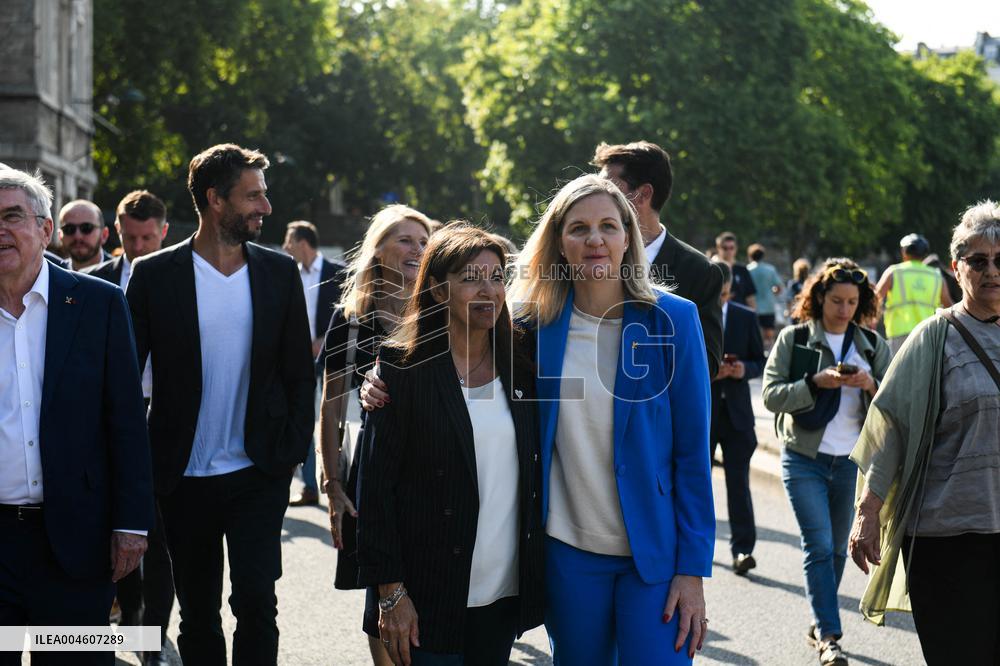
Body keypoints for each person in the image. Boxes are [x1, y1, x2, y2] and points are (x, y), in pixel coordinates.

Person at [362, 175, 716, 664]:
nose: (595, 239)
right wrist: (378, 382)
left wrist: (692, 570)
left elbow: (693, 453)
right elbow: (448, 355)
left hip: (654, 557)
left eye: (609, 226)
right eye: (579, 228)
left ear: (628, 238)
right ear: (559, 243)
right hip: (566, 554)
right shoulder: (530, 326)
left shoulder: (674, 320)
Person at [126, 144, 315, 665]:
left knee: (257, 602)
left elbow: (300, 373)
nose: (266, 207)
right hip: (182, 477)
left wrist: (292, 450)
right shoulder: (154, 276)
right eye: (253, 196)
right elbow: (121, 381)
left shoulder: (278, 273)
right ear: (215, 200)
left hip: (259, 470)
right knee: (199, 613)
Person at [356, 225, 544, 666]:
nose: (489, 290)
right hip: (425, 595)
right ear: (439, 292)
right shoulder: (402, 371)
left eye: (497, 277)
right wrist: (390, 593)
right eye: (471, 277)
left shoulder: (522, 365)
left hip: (502, 595)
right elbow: (376, 492)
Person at [0, 168, 153, 664]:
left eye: (12, 217)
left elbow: (126, 420)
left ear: (46, 231)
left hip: (73, 542)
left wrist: (132, 523)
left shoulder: (98, 303)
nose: (0, 230)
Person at [849, 201, 1000, 665]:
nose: (991, 270)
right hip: (947, 542)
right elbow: (889, 426)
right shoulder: (933, 339)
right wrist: (867, 511)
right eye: (978, 260)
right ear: (956, 269)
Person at [762, 258, 891, 666]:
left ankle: (820, 622)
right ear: (820, 298)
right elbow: (770, 395)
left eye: (852, 302)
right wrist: (812, 384)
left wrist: (870, 384)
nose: (844, 309)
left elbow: (895, 406)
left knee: (836, 550)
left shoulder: (872, 345)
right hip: (804, 458)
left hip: (852, 464)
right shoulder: (795, 338)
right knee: (818, 545)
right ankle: (830, 636)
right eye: (837, 300)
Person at [319, 203, 432, 666]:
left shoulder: (442, 314)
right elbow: (328, 408)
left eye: (424, 242)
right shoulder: (351, 321)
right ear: (379, 250)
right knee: (379, 597)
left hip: (432, 465)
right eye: (405, 239)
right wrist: (333, 485)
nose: (417, 249)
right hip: (373, 467)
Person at [83, 189, 174, 665]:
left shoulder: (179, 282)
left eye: (148, 237)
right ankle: (123, 624)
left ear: (163, 231)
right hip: (110, 423)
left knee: (158, 540)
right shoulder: (94, 283)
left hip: (163, 422)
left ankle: (152, 639)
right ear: (117, 233)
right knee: (113, 534)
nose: (140, 247)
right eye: (131, 237)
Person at [592, 140, 724, 378]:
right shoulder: (587, 258)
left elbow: (707, 363)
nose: (597, 197)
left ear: (643, 194)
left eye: (609, 189)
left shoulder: (700, 272)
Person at [282, 220, 346, 507]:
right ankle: (310, 486)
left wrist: (325, 337)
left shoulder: (337, 273)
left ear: (302, 242)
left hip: (332, 356)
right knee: (303, 419)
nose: (285, 246)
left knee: (334, 418)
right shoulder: (288, 274)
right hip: (299, 358)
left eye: (289, 240)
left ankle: (340, 480)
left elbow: (351, 311)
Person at [710, 260, 766, 575]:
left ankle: (743, 549)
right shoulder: (693, 311)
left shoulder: (746, 317)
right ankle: (695, 549)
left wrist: (743, 369)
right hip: (702, 415)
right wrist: (710, 373)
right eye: (718, 294)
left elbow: (759, 360)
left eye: (727, 294)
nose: (723, 300)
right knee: (694, 485)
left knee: (738, 484)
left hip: (737, 416)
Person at [875, 233, 952, 354]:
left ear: (904, 252)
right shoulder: (937, 276)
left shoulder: (894, 272)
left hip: (899, 334)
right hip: (928, 335)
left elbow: (875, 298)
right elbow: (949, 306)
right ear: (925, 254)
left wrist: (871, 321)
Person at [747, 243, 784, 349]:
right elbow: (780, 287)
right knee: (769, 335)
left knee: (755, 333)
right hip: (768, 305)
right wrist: (773, 293)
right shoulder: (770, 269)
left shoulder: (748, 270)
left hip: (753, 306)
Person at [58, 199, 111, 270]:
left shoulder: (122, 275)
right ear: (60, 235)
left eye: (86, 228)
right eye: (69, 229)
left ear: (104, 234)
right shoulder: (51, 276)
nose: (77, 236)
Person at [715, 232, 756, 309]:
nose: (729, 251)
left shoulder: (743, 270)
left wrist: (753, 316)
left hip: (740, 315)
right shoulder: (714, 269)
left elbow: (750, 297)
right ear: (718, 248)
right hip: (719, 314)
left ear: (736, 248)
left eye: (731, 247)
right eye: (725, 248)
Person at [786, 258, 812, 324]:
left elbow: (789, 299)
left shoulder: (793, 283)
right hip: (807, 313)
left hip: (795, 312)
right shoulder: (810, 283)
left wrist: (788, 311)